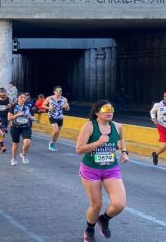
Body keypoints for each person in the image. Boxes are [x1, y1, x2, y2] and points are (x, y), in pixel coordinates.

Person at [76, 101, 128, 242]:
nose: (109, 112)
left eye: (111, 109)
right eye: (105, 109)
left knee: (119, 204)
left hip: (111, 168)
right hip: (91, 169)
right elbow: (79, 149)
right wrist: (98, 143)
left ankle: (104, 219)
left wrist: (123, 151)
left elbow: (121, 139)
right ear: (97, 112)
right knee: (96, 204)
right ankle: (90, 229)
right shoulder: (89, 127)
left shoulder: (117, 126)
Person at [8, 93, 35, 166]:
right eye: (21, 97)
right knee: (15, 144)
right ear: (18, 98)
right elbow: (9, 118)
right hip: (15, 127)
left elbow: (29, 115)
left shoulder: (27, 106)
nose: (23, 99)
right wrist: (17, 115)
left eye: (24, 97)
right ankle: (13, 159)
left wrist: (32, 118)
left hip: (26, 127)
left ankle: (23, 155)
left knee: (28, 142)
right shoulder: (13, 106)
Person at [43, 86, 70, 152]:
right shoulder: (49, 98)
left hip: (60, 117)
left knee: (58, 133)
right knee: (56, 131)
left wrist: (66, 107)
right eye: (58, 91)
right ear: (54, 91)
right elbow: (43, 105)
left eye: (60, 91)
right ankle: (51, 142)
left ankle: (54, 142)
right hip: (52, 116)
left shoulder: (64, 99)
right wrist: (49, 108)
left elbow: (68, 108)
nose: (59, 92)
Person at [0, 88, 11, 153]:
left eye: (4, 92)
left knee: (1, 131)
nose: (3, 94)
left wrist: (10, 106)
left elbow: (14, 105)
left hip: (5, 117)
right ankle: (0, 145)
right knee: (0, 131)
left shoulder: (9, 99)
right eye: (2, 92)